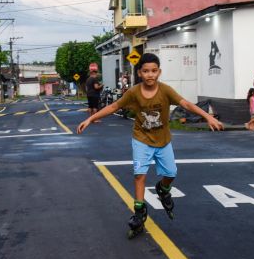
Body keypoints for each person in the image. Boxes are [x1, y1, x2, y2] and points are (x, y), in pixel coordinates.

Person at [77, 53, 223, 235]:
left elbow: (185, 103)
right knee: (139, 175)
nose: (150, 74)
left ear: (159, 72)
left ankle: (162, 189)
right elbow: (113, 107)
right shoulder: (133, 93)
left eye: (154, 71)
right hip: (141, 140)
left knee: (171, 173)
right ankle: (139, 213)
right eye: (146, 71)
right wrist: (91, 119)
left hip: (163, 140)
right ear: (140, 73)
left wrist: (207, 116)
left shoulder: (166, 91)